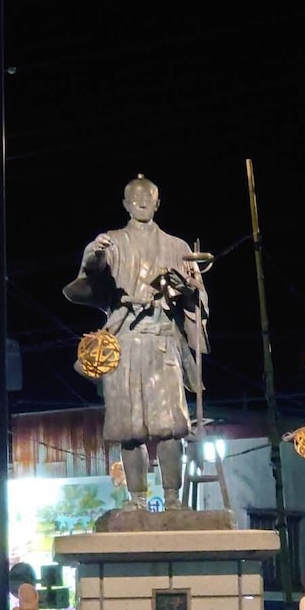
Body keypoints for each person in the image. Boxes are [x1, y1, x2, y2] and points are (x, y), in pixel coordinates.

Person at [63, 174, 209, 511]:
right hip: (124, 343)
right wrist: (94, 254)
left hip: (162, 342)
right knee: (129, 429)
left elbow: (198, 297)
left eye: (149, 196)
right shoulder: (113, 241)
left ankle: (172, 499)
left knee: (171, 426)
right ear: (126, 204)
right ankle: (137, 500)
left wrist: (187, 291)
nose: (142, 201)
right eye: (135, 197)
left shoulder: (178, 247)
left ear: (158, 203)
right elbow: (93, 271)